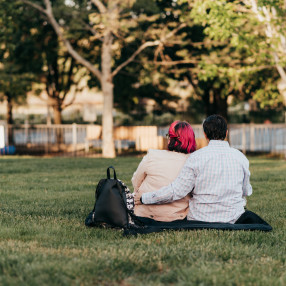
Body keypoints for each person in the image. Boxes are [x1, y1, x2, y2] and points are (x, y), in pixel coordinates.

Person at [135, 115, 253, 224]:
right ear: (226, 133)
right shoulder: (241, 157)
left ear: (205, 134)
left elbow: (176, 191)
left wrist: (144, 198)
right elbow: (246, 191)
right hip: (233, 217)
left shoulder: (196, 158)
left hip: (201, 218)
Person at [131, 120, 196, 222]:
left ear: (170, 138)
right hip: (176, 217)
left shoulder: (152, 155)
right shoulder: (193, 161)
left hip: (144, 214)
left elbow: (136, 182)